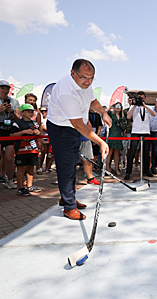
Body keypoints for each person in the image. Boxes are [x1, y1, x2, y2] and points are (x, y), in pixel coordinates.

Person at [47, 59, 111, 220]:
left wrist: (103, 113)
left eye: (91, 78)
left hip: (73, 127)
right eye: (84, 77)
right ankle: (69, 207)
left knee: (70, 165)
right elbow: (78, 124)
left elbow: (93, 102)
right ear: (72, 73)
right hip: (61, 128)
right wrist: (100, 142)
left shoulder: (85, 85)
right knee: (66, 166)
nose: (88, 82)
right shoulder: (66, 91)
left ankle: (68, 197)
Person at [11, 104, 41, 196]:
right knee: (21, 168)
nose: (31, 113)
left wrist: (38, 133)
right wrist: (23, 132)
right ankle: (20, 188)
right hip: (21, 149)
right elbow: (11, 135)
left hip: (33, 149)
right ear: (22, 112)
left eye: (32, 111)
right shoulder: (17, 123)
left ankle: (30, 185)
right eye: (28, 111)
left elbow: (39, 134)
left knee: (31, 167)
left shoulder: (35, 123)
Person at [125, 91, 155, 180]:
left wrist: (144, 105)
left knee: (146, 153)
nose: (140, 99)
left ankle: (146, 170)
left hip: (146, 132)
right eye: (139, 98)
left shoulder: (148, 107)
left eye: (141, 98)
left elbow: (153, 114)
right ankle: (128, 172)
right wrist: (135, 105)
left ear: (145, 98)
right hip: (135, 132)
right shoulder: (133, 107)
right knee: (132, 153)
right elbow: (128, 117)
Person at [106, 102, 125, 174]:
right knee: (109, 152)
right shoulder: (111, 114)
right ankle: (107, 169)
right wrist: (110, 106)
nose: (118, 107)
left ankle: (117, 169)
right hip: (111, 134)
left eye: (119, 106)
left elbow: (124, 128)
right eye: (116, 106)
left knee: (117, 153)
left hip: (118, 135)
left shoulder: (122, 116)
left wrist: (121, 124)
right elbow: (104, 113)